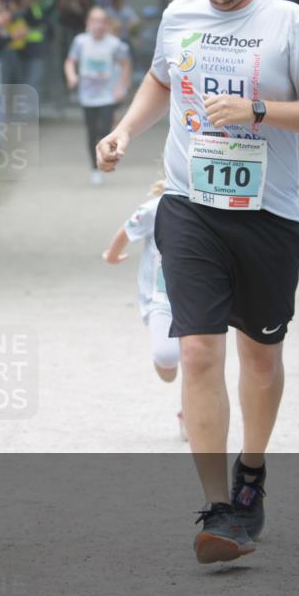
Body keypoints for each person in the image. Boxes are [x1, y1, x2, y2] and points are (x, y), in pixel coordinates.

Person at [96, 0, 299, 564]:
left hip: (267, 214)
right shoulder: (179, 18)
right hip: (189, 205)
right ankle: (219, 507)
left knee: (259, 359)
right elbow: (161, 80)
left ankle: (251, 473)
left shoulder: (289, 22)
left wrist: (258, 109)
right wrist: (126, 130)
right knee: (198, 349)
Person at [102, 179, 185, 440]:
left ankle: (190, 413)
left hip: (200, 294)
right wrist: (112, 254)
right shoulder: (156, 208)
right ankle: (166, 360)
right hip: (161, 296)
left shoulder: (215, 205)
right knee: (167, 360)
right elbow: (127, 230)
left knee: (199, 359)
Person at [65, 7, 131, 186]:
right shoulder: (80, 42)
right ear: (88, 23)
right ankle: (94, 169)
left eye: (102, 21)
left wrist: (121, 87)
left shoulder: (115, 44)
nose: (98, 25)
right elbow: (70, 61)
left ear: (107, 24)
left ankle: (105, 162)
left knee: (104, 130)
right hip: (87, 96)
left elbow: (125, 65)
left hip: (107, 96)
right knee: (91, 132)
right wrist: (72, 76)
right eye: (94, 21)